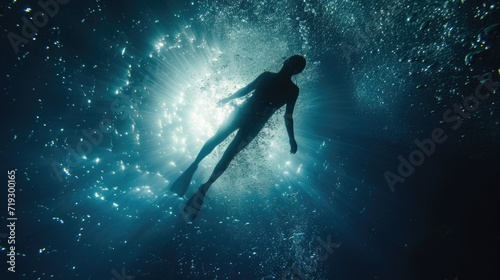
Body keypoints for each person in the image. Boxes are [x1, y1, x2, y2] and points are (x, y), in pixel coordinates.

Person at [171, 55, 307, 220]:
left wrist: (291, 138)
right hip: (244, 117)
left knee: (227, 154)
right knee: (217, 141)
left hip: (248, 121)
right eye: (291, 61)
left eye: (293, 63)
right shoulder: (270, 78)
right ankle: (195, 168)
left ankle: (205, 185)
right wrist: (228, 98)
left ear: (295, 70)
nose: (289, 64)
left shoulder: (291, 89)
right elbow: (247, 90)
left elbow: (288, 116)